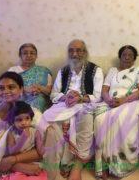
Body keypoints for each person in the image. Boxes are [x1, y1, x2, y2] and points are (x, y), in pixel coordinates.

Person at [41, 39, 104, 180]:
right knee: (48, 119)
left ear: (85, 52)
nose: (75, 54)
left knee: (85, 117)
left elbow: (98, 96)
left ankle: (78, 162)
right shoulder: (63, 71)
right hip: (65, 103)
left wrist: (79, 98)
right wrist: (66, 97)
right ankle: (61, 161)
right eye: (71, 50)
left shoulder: (96, 70)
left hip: (84, 104)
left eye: (79, 50)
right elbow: (54, 95)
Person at [93, 45, 139, 179]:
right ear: (120, 57)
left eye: (130, 55)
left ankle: (120, 165)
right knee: (100, 120)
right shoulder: (112, 71)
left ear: (134, 58)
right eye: (124, 55)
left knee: (119, 117)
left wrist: (123, 100)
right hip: (110, 102)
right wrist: (109, 100)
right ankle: (103, 166)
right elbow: (105, 90)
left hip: (130, 102)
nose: (127, 57)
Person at [0, 72, 43, 180]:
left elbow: (40, 150)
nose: (6, 91)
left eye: (11, 87)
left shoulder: (31, 114)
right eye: (1, 88)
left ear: (21, 89)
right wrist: (18, 167)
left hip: (28, 162)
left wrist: (13, 160)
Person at [0, 101, 47, 180]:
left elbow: (40, 150)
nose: (24, 122)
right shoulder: (11, 132)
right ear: (13, 122)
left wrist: (44, 149)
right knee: (17, 177)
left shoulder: (35, 132)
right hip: (16, 165)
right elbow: (12, 152)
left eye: (27, 118)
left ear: (31, 118)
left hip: (31, 162)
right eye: (19, 120)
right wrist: (23, 139)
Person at [9, 43, 52, 112]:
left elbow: (49, 92)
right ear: (20, 55)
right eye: (25, 53)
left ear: (36, 56)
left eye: (32, 53)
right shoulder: (13, 70)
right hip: (18, 99)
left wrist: (39, 87)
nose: (29, 55)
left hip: (38, 100)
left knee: (39, 99)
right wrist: (26, 89)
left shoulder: (44, 71)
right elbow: (8, 88)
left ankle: (34, 120)